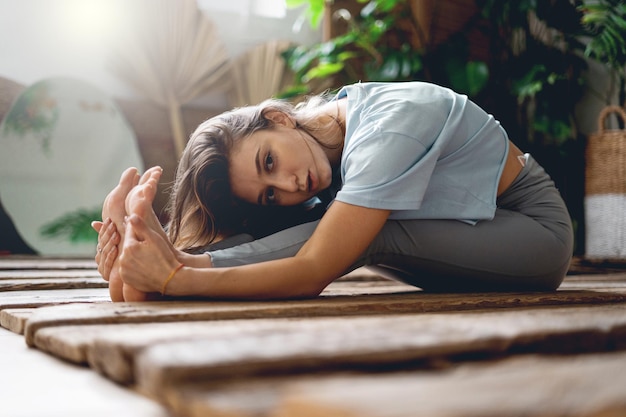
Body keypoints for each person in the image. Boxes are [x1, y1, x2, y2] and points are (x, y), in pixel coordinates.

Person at [93, 81, 574, 302]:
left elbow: (312, 270)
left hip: (533, 231)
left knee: (364, 235)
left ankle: (170, 267)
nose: (288, 185)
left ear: (279, 117)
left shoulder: (388, 127)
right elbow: (289, 238)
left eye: (269, 161)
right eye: (268, 192)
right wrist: (151, 257)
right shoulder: (327, 143)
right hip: (469, 230)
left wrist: (179, 279)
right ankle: (162, 254)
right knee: (324, 224)